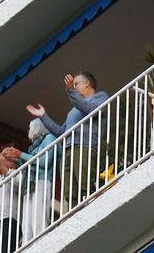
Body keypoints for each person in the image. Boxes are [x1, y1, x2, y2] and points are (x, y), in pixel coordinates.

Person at [27, 72, 109, 213]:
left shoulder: (100, 97)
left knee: (84, 184)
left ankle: (88, 211)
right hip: (68, 149)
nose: (73, 87)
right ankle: (74, 215)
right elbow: (61, 132)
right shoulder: (73, 111)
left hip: (84, 147)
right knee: (69, 192)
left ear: (87, 84)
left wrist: (70, 90)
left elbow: (90, 110)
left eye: (76, 84)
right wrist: (43, 116)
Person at [2, 120, 56, 243]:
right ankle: (28, 246)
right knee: (26, 223)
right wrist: (16, 159)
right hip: (28, 185)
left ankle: (41, 245)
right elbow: (29, 164)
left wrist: (20, 155)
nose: (29, 131)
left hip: (41, 181)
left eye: (30, 127)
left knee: (38, 218)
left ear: (38, 127)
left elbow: (43, 161)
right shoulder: (33, 147)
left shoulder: (50, 138)